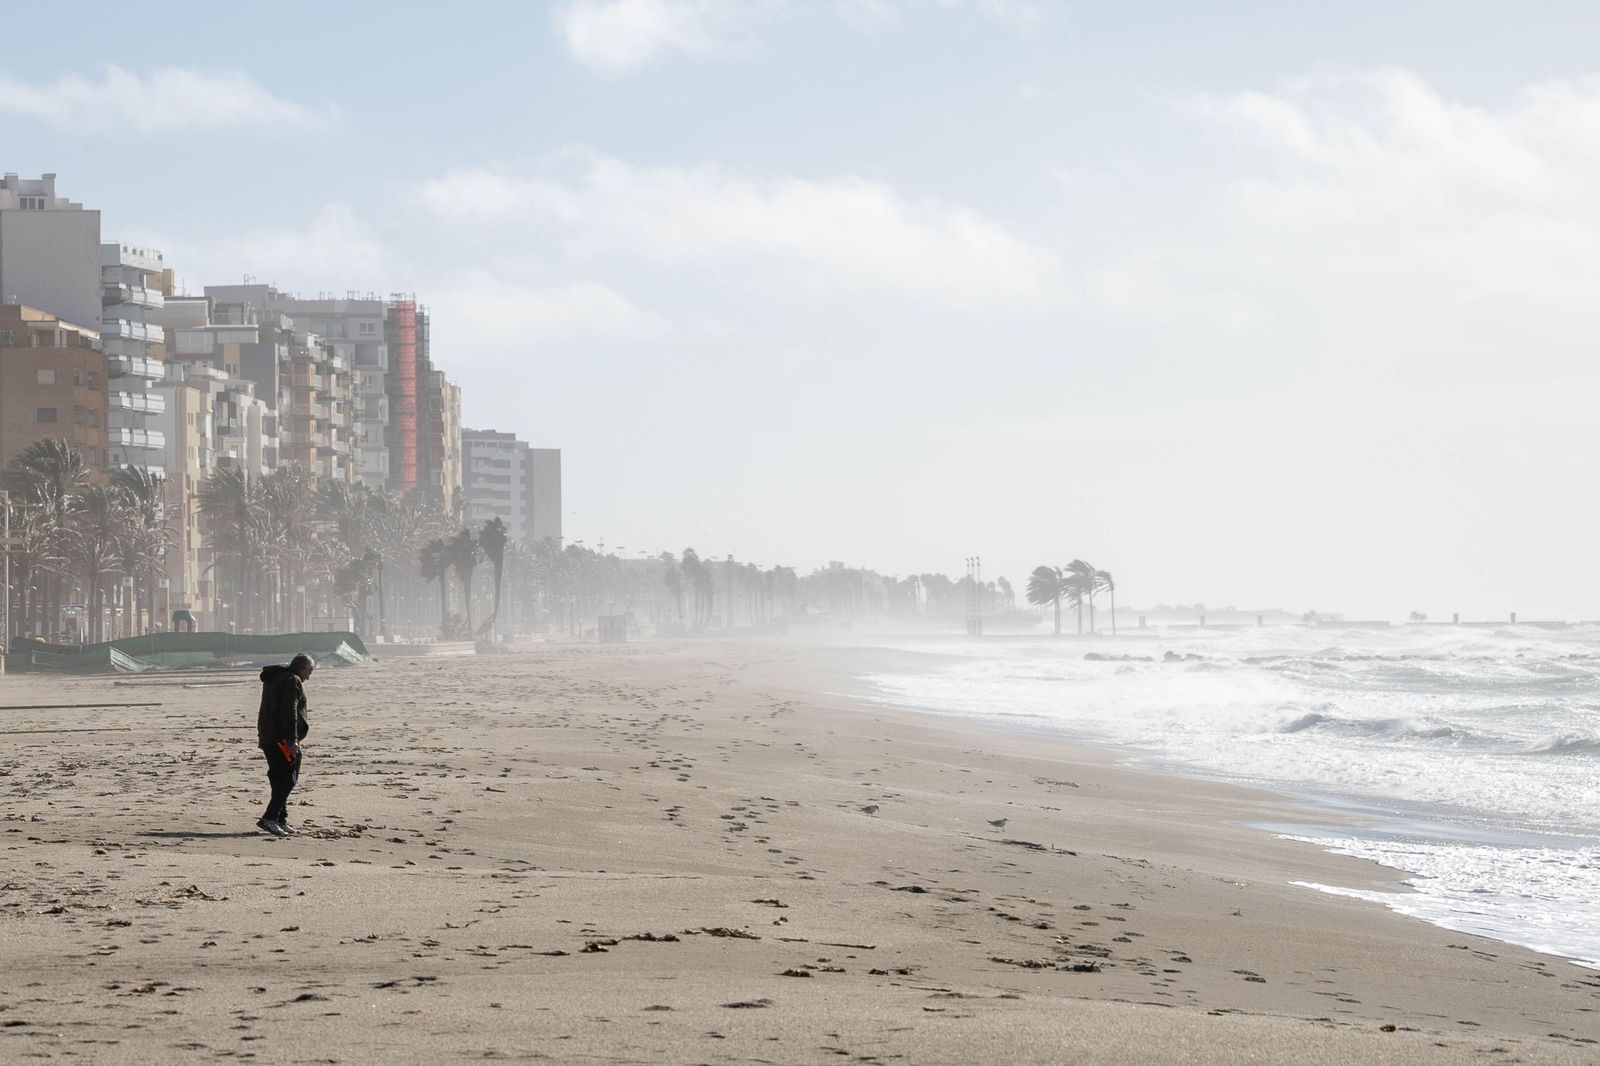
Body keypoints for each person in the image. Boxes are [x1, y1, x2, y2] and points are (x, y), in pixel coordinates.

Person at [256, 653, 314, 836]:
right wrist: (292, 740)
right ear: (302, 668)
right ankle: (270, 817)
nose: (309, 676)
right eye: (309, 671)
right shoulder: (292, 680)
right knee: (289, 777)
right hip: (281, 739)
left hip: (268, 736)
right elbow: (289, 711)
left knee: (279, 778)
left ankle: (280, 818)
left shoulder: (276, 678)